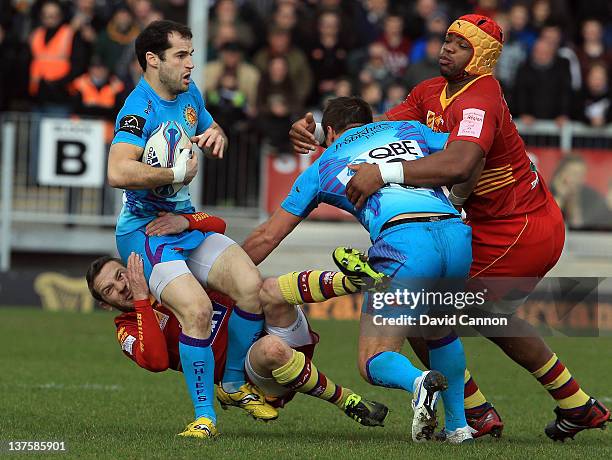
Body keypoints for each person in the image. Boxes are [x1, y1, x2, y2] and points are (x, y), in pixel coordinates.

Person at [287, 14, 611, 441]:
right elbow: (375, 134)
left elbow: (460, 163)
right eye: (446, 41)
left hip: (520, 225)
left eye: (460, 44)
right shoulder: (429, 92)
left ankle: (478, 413)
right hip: (489, 225)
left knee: (430, 308)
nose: (446, 49)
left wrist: (384, 175)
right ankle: (569, 405)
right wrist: (322, 135)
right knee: (473, 315)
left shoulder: (480, 97)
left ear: (483, 57)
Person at [243, 96, 475, 444]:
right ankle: (458, 427)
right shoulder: (410, 129)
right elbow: (470, 157)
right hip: (456, 236)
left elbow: (267, 236)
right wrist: (458, 200)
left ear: (331, 131)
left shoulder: (322, 166)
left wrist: (220, 274)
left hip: (404, 244)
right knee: (438, 330)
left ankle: (419, 383)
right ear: (369, 120)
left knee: (373, 359)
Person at [107, 20, 264, 440]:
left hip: (184, 222)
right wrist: (173, 171)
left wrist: (216, 135)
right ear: (152, 61)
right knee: (195, 310)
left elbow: (209, 128)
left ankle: (232, 383)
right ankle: (204, 417)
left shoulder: (188, 92)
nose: (192, 64)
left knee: (251, 285)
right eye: (181, 55)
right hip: (145, 232)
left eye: (192, 54)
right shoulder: (137, 110)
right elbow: (117, 170)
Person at [86, 214, 389, 429]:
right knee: (271, 349)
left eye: (120, 275)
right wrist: (141, 301)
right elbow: (155, 360)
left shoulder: (169, 272)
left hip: (270, 323)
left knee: (268, 288)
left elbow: (216, 225)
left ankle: (358, 282)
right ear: (104, 304)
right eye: (109, 290)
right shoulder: (127, 326)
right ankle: (347, 400)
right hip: (255, 372)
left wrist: (187, 222)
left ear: (130, 266)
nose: (121, 286)